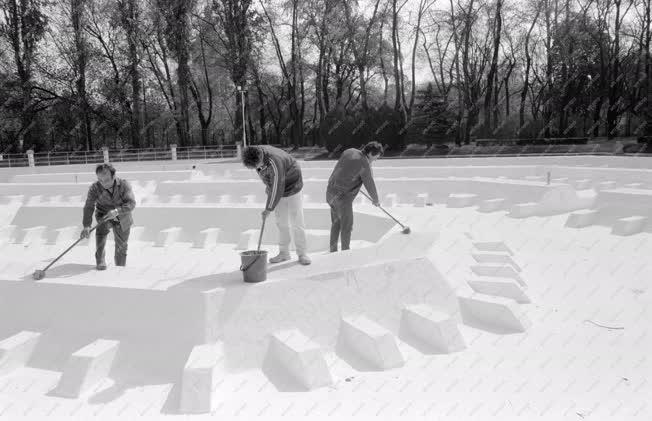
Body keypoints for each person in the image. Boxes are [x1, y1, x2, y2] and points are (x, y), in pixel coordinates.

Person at [242, 145, 311, 265]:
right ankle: (284, 253)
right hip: (277, 185)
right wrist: (269, 197)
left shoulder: (275, 161)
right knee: (281, 222)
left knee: (297, 221)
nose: (256, 169)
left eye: (256, 166)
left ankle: (302, 253)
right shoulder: (256, 154)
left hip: (293, 184)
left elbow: (278, 186)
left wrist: (268, 209)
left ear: (260, 159)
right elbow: (271, 183)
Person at [326, 141, 383, 252]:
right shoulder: (364, 164)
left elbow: (344, 167)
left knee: (336, 223)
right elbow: (370, 184)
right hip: (342, 198)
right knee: (346, 227)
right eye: (376, 157)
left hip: (330, 192)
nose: (376, 160)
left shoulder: (349, 151)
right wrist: (375, 200)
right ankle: (345, 254)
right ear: (371, 153)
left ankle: (332, 251)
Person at [80, 163, 136, 270]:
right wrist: (86, 225)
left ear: (114, 176)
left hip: (123, 216)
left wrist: (116, 211)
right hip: (103, 214)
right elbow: (89, 206)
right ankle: (100, 259)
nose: (103, 183)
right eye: (100, 180)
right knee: (101, 234)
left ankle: (120, 266)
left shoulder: (124, 185)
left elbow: (131, 203)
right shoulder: (94, 188)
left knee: (122, 245)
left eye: (106, 180)